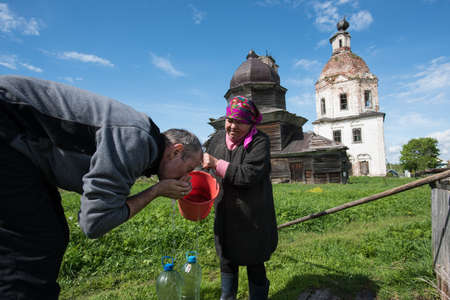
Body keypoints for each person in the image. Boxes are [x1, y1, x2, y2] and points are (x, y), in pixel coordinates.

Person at [0, 75, 203, 299]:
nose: (188, 177)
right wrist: (156, 191)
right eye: (189, 168)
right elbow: (94, 223)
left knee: (52, 235)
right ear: (176, 151)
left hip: (23, 145)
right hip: (7, 122)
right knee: (32, 245)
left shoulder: (143, 142)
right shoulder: (136, 140)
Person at [202, 96, 278, 300]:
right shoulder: (217, 140)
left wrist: (217, 164)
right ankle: (227, 297)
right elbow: (205, 167)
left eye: (240, 121)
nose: (232, 126)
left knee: (254, 262)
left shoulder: (259, 141)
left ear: (251, 123)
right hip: (225, 214)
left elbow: (249, 174)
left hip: (253, 216)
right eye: (229, 120)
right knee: (226, 260)